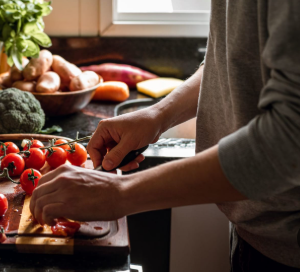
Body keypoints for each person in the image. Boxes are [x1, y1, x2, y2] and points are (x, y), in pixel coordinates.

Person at [30, 1, 300, 271]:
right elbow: (233, 59)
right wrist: (158, 115)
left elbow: (289, 140)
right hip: (256, 230)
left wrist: (120, 193)